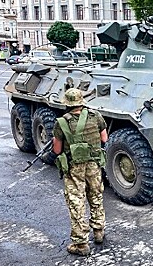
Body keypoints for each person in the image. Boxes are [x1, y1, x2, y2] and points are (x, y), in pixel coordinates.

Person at [43, 88, 108, 256]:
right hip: (94, 163)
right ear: (81, 101)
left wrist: (57, 140)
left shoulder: (61, 123)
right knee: (96, 195)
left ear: (67, 103)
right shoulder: (96, 116)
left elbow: (57, 150)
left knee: (76, 200)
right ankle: (99, 231)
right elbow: (104, 139)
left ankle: (80, 244)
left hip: (74, 166)